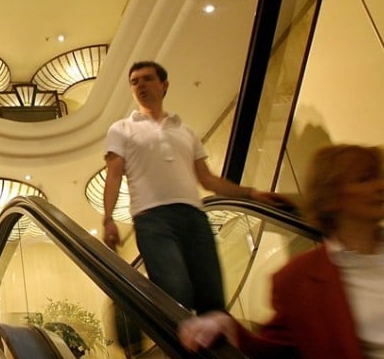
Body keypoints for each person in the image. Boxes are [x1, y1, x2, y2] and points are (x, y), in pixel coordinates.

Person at [178, 144, 384, 359]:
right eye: (365, 178)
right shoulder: (298, 281)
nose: (380, 185)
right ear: (333, 196)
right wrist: (224, 323)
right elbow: (274, 354)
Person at [101, 61, 292, 313]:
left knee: (211, 297)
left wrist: (251, 193)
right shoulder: (122, 128)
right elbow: (113, 176)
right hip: (152, 220)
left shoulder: (186, 131)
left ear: (164, 85)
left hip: (195, 217)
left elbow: (208, 179)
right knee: (175, 295)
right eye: (134, 82)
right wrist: (108, 218)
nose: (140, 85)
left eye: (147, 79)